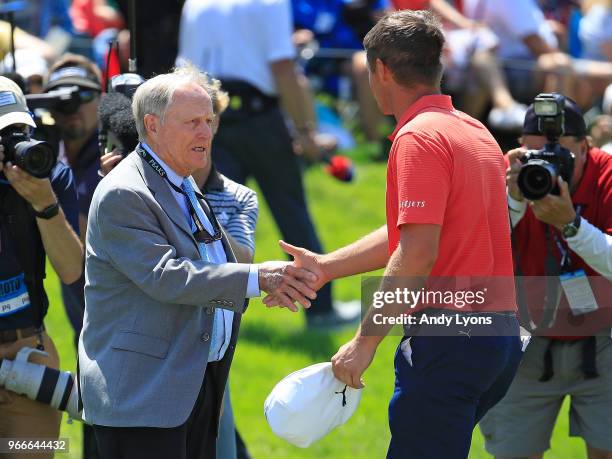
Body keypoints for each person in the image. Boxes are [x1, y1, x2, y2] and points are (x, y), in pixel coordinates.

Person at [266, 10, 523, 458]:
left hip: (449, 340)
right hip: (497, 337)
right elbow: (418, 233)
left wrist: (364, 343)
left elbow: (418, 251)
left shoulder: (418, 137)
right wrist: (328, 267)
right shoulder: (473, 130)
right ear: (436, 66)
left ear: (380, 69)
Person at [78, 65, 319, 459]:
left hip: (192, 387)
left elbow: (211, 260)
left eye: (209, 120)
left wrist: (272, 280)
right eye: (192, 122)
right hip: (143, 399)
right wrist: (259, 279)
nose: (206, 133)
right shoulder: (125, 192)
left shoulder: (182, 181)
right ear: (152, 126)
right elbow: (167, 277)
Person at [177, 0, 358, 329]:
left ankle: (203, 313)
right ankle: (321, 310)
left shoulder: (196, 3)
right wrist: (307, 133)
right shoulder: (270, 2)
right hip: (259, 120)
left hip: (209, 117)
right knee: (291, 213)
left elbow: (186, 71)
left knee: (207, 218)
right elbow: (284, 69)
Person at [479, 97, 612, 459]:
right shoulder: (505, 175)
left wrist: (571, 226)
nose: (545, 165)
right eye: (534, 154)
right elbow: (476, 253)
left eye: (559, 154)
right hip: (524, 339)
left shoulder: (608, 173)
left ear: (586, 147)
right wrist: (514, 202)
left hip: (604, 338)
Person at [0, 76, 83, 459]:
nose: (15, 145)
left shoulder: (50, 177)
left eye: (20, 130)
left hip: (29, 358)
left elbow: (72, 271)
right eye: (4, 135)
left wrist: (44, 204)